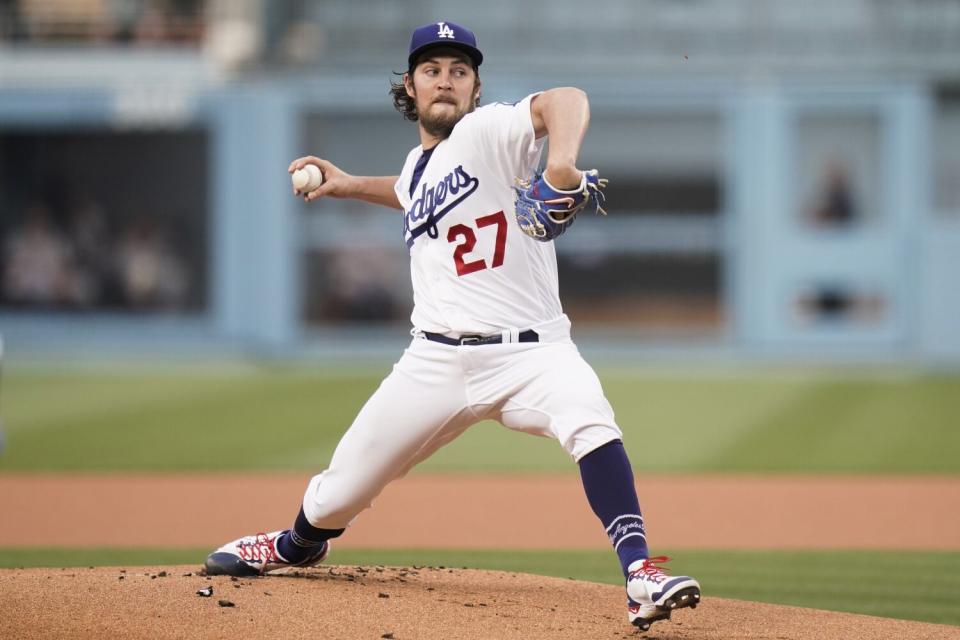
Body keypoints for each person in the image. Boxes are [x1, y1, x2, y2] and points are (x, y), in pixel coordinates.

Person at [204, 21, 701, 631]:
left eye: (459, 71)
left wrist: (562, 166)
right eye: (432, 70)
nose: (446, 80)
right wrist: (350, 184)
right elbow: (414, 191)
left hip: (533, 353)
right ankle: (298, 544)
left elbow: (565, 99)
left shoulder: (490, 131)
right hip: (434, 363)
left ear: (475, 88)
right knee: (337, 493)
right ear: (409, 87)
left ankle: (640, 573)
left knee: (592, 421)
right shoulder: (420, 165)